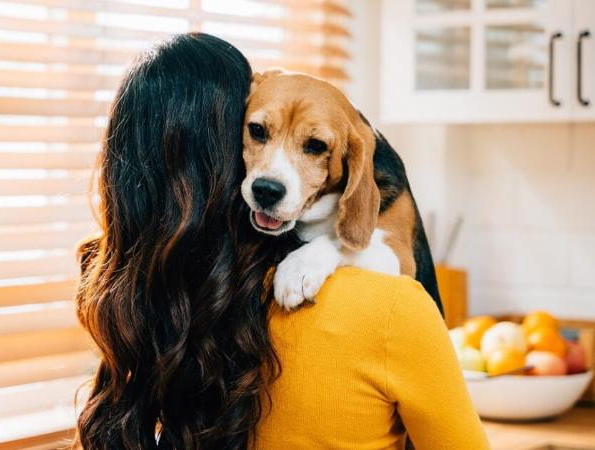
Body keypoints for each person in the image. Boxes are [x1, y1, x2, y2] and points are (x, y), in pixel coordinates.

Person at [74, 33, 489, 450]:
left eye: (312, 146)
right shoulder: (391, 310)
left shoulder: (132, 304)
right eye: (257, 131)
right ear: (228, 148)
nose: (273, 170)